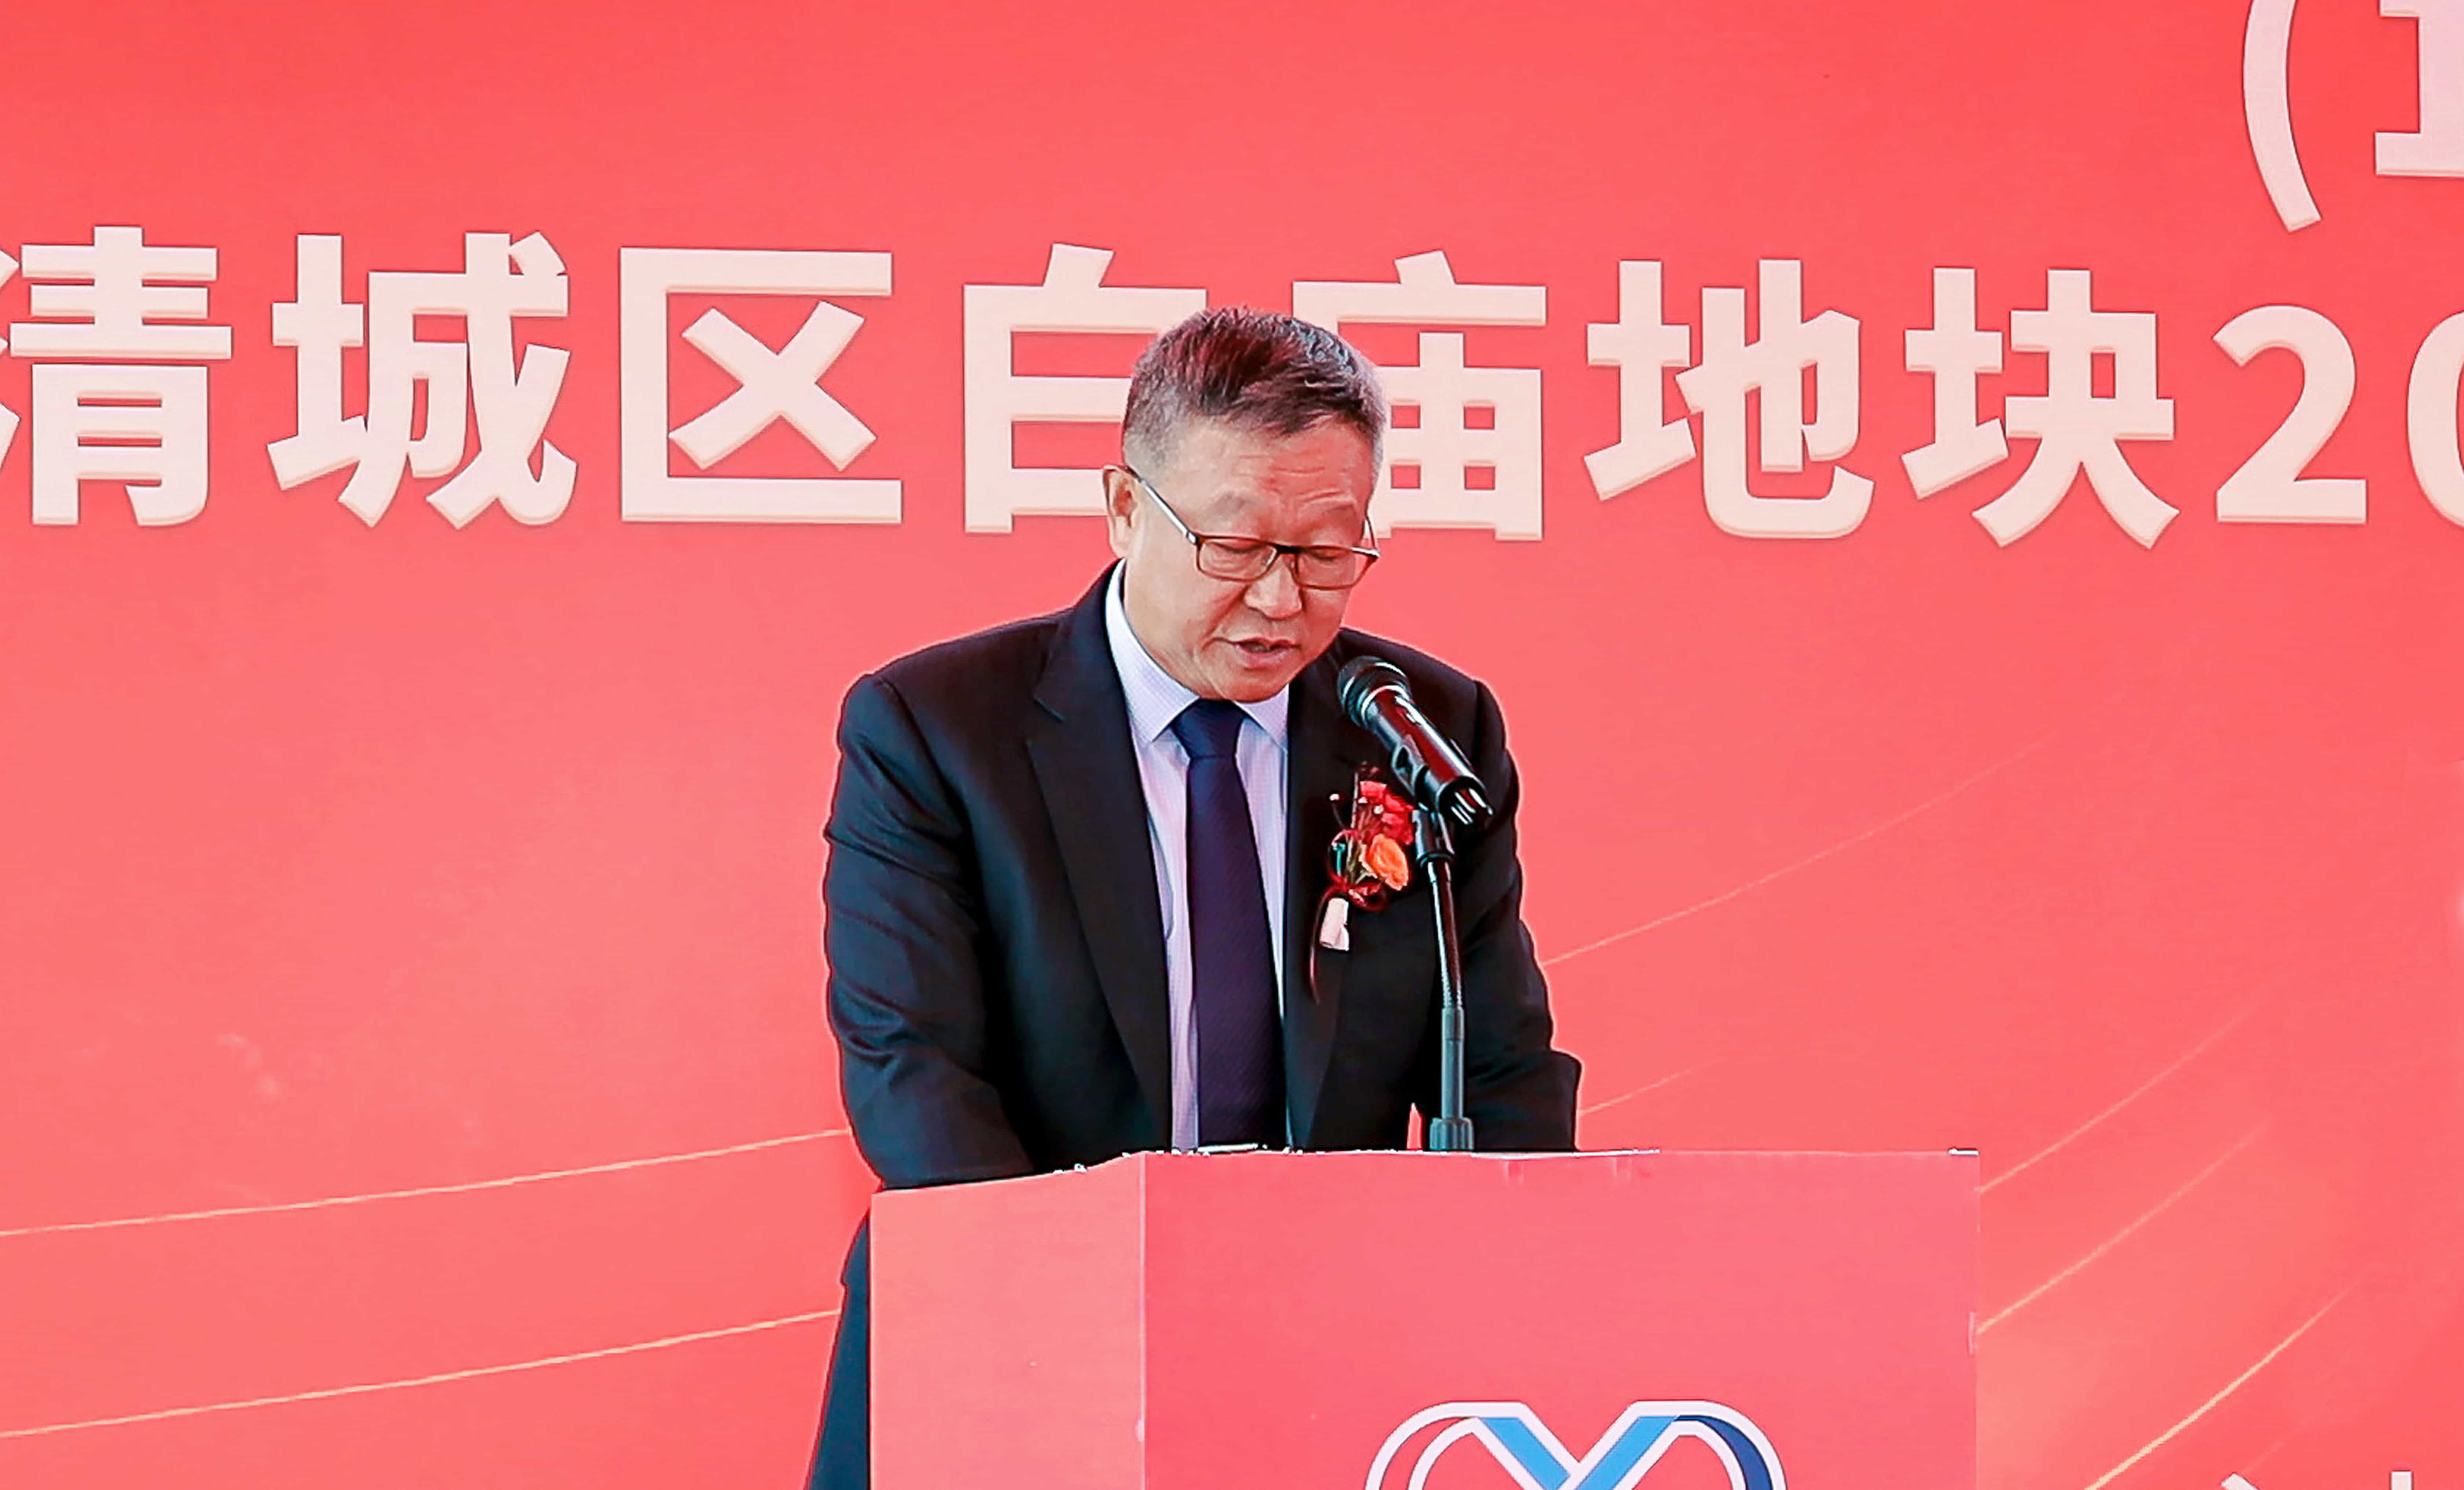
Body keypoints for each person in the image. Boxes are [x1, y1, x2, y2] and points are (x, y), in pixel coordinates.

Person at [806, 307, 1579, 1489]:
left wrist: (1506, 1301)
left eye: (1326, 552)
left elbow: (1504, 1069)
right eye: (1236, 547)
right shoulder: (940, 730)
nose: (1280, 602)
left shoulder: (1424, 733)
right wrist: (1076, 1318)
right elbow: (913, 1067)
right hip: (1009, 1335)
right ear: (1126, 509)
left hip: (1331, 1363)